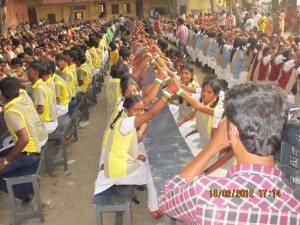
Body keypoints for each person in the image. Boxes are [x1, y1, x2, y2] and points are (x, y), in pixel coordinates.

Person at [159, 81, 300, 224]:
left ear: (231, 130)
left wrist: (212, 146)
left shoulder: (205, 192)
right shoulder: (294, 204)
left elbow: (167, 198)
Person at [94, 74, 178, 218]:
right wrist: (167, 93)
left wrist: (134, 156)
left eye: (141, 110)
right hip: (118, 170)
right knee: (153, 173)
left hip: (119, 163)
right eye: (136, 110)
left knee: (146, 161)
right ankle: (154, 208)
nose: (139, 113)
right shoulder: (126, 122)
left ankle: (154, 204)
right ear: (127, 110)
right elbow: (151, 113)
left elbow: (122, 144)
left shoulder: (123, 115)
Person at [0, 77, 48, 203]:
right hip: (35, 146)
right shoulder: (22, 96)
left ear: (1, 94)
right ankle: (27, 185)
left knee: (3, 159)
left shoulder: (10, 111)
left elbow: (24, 139)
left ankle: (26, 194)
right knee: (3, 152)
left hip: (28, 153)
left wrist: (6, 160)